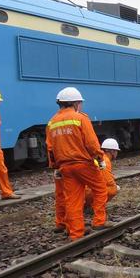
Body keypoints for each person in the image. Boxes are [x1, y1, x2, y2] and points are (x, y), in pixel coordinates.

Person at [46, 87, 109, 241]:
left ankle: (76, 233)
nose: (80, 106)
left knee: (72, 200)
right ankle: (99, 221)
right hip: (83, 164)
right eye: (80, 103)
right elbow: (91, 143)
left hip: (65, 167)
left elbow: (50, 148)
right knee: (101, 189)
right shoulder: (80, 118)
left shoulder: (52, 122)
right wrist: (100, 158)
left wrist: (55, 167)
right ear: (75, 103)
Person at [84, 138, 120, 210]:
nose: (117, 153)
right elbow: (107, 181)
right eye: (116, 151)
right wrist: (113, 183)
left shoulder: (99, 158)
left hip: (84, 190)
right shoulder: (105, 161)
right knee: (114, 189)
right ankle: (96, 206)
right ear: (112, 151)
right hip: (89, 192)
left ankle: (87, 205)